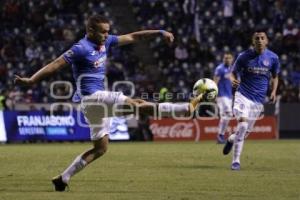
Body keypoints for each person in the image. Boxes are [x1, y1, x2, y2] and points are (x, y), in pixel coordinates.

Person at [14, 15, 208, 191]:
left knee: (101, 148)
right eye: (103, 32)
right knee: (138, 104)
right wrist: (31, 80)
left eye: (108, 31)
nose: (107, 35)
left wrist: (159, 32)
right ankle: (185, 108)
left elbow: (134, 37)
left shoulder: (105, 42)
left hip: (92, 106)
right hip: (93, 97)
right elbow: (55, 64)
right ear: (91, 31)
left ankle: (64, 177)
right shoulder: (80, 48)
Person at [222, 29, 280, 170]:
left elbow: (275, 76)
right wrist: (233, 80)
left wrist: (273, 91)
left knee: (244, 133)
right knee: (242, 126)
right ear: (253, 42)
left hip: (258, 101)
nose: (259, 40)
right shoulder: (244, 56)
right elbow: (232, 73)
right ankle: (236, 161)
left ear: (266, 41)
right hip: (243, 96)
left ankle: (231, 139)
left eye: (262, 38)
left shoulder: (273, 58)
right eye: (257, 38)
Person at [213, 52, 234, 144]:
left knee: (226, 115)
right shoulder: (219, 69)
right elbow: (215, 81)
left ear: (232, 59)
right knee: (228, 113)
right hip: (221, 95)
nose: (227, 60)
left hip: (229, 95)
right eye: (226, 58)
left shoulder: (231, 68)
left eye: (229, 58)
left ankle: (220, 136)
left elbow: (232, 79)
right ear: (223, 59)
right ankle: (220, 135)